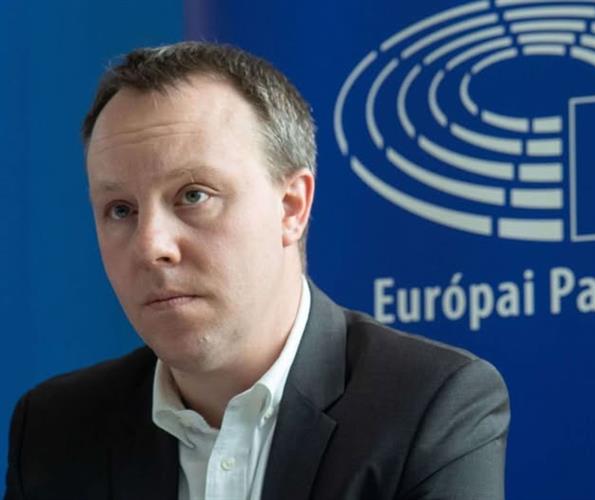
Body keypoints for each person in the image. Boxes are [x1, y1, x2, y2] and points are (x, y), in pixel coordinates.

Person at [4, 42, 510, 500]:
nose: (151, 246)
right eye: (120, 209)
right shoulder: (54, 430)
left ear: (291, 207)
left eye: (193, 195)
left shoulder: (428, 406)